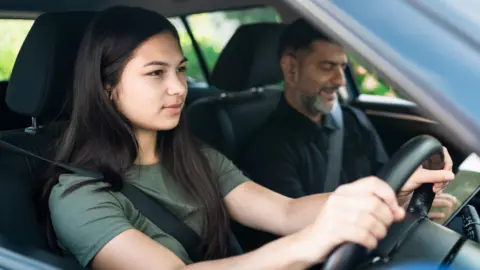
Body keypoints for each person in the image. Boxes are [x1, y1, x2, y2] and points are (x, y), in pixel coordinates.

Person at [41, 7, 455, 269]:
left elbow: (287, 213)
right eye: (156, 73)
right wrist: (312, 243)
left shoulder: (192, 155)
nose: (179, 88)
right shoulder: (79, 196)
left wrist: (390, 197)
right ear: (108, 87)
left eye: (181, 70)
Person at [237, 18, 458, 250]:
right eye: (327, 67)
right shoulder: (268, 148)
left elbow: (388, 179)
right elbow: (299, 239)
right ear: (291, 68)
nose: (340, 81)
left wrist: (415, 202)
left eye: (342, 67)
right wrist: (399, 215)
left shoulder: (353, 120)